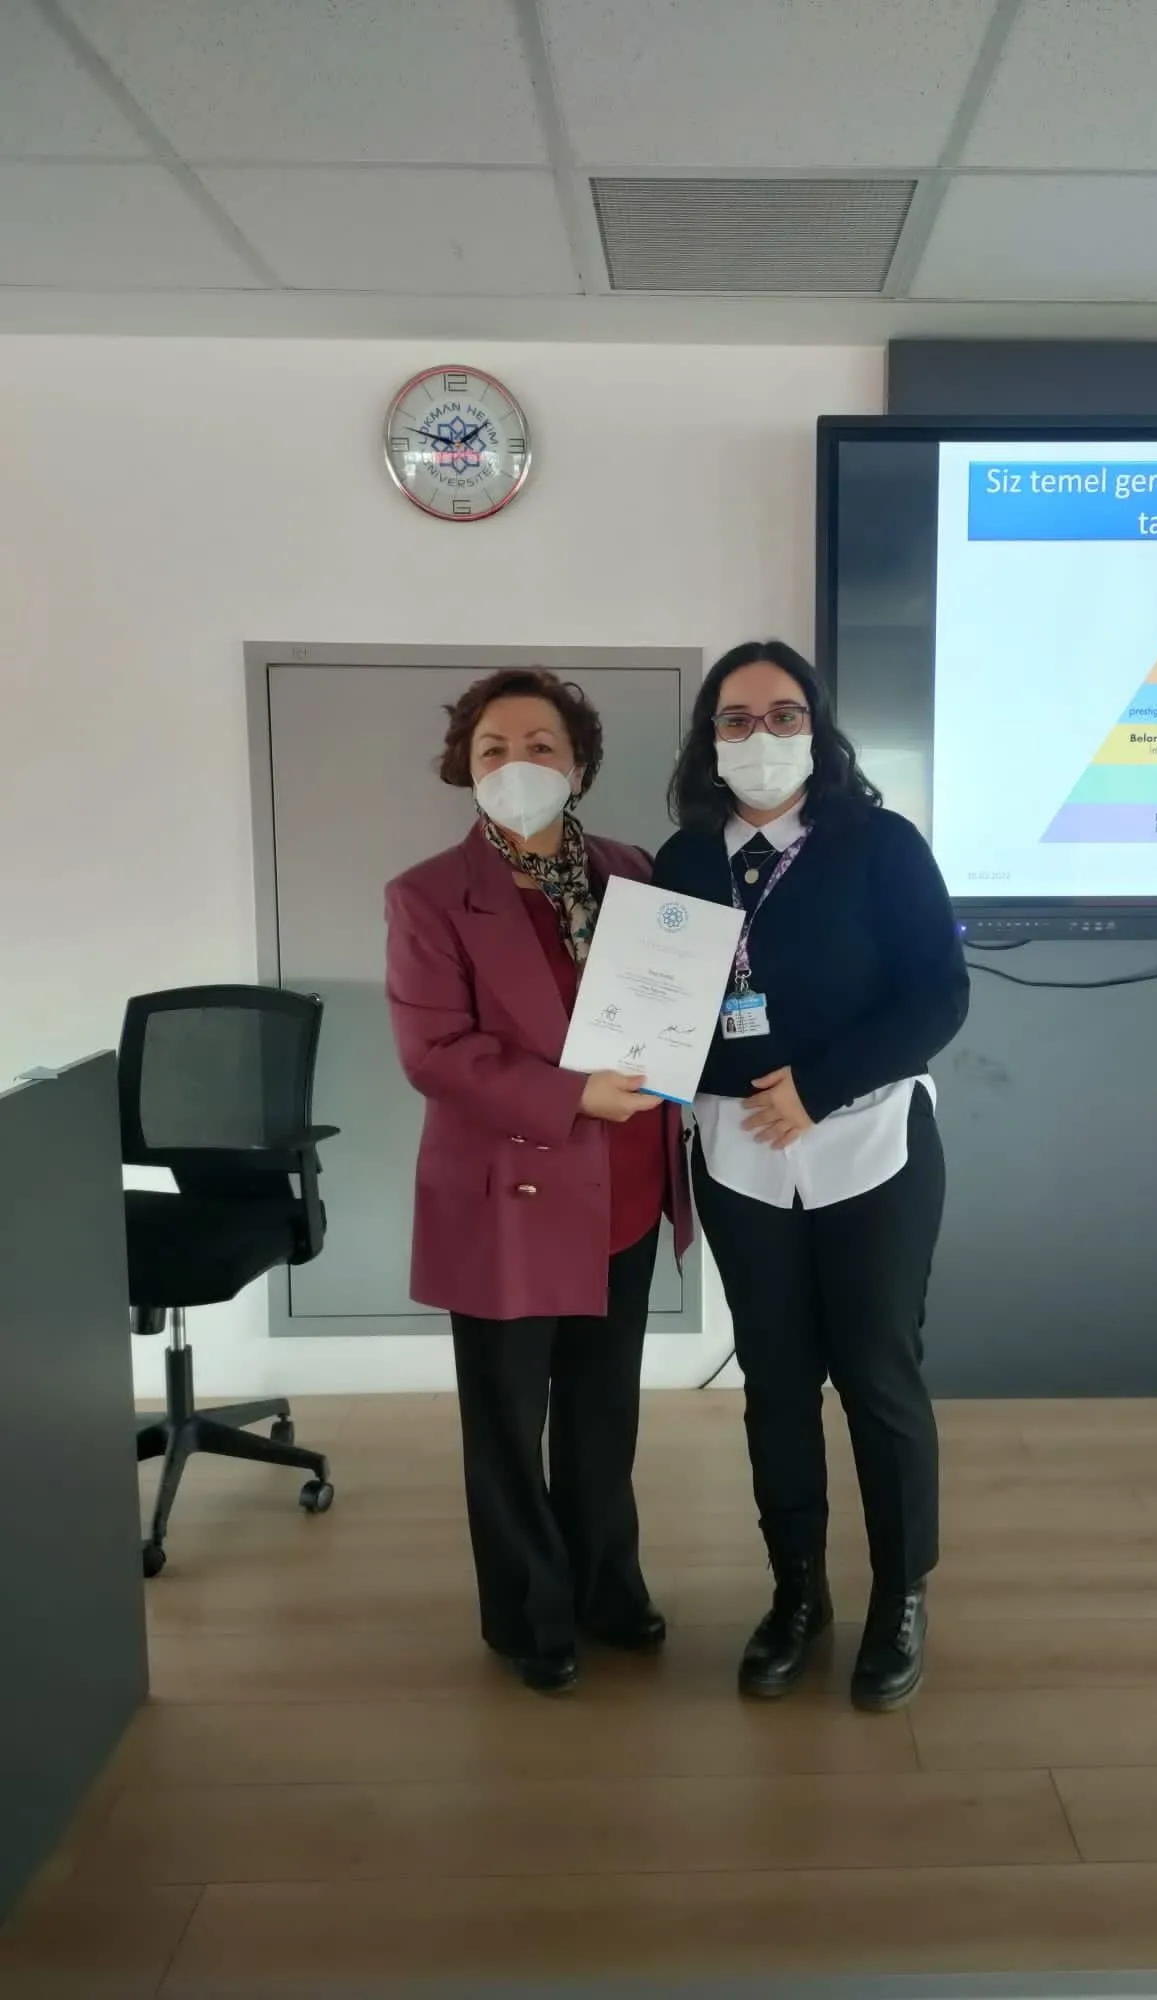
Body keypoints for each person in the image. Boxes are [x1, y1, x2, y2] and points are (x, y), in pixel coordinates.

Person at [654, 640, 968, 1711]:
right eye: (735, 718)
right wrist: (675, 1073)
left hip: (871, 1143)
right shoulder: (684, 861)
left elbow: (938, 996)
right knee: (777, 1383)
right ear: (709, 739)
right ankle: (797, 1593)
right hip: (740, 1153)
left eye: (783, 714)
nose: (761, 736)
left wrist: (818, 1088)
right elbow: (661, 1016)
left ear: (817, 729)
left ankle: (900, 1595)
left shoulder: (881, 844)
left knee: (878, 1372)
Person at [385, 667, 690, 1695]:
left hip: (624, 1188)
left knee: (604, 1413)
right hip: (508, 1194)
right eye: (494, 749)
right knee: (509, 1423)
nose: (518, 764)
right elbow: (434, 1052)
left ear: (581, 764)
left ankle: (607, 1587)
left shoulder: (632, 874)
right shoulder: (429, 895)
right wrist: (571, 1095)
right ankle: (530, 1613)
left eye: (541, 745)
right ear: (465, 770)